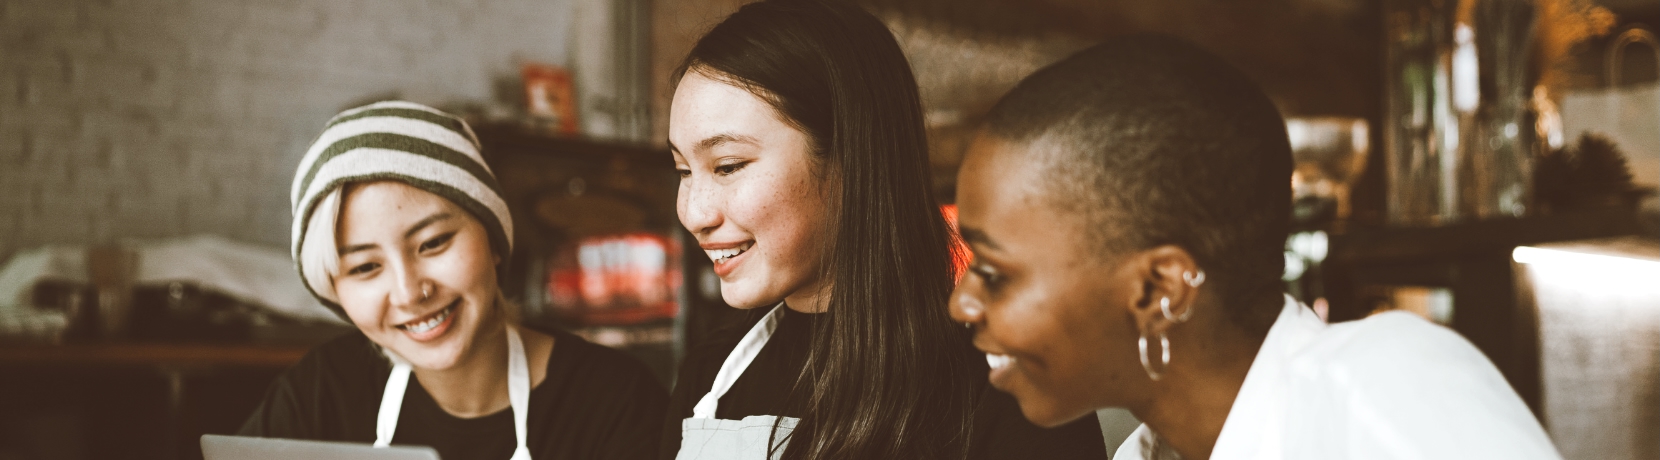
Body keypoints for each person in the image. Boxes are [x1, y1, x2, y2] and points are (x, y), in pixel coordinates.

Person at [947, 35, 1564, 460]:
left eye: (995, 272)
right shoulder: (1147, 450)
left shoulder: (1380, 383)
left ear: (1160, 290)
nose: (961, 304)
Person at [661, 1, 1108, 459]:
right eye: (682, 170)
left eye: (728, 165)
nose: (695, 213)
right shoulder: (709, 371)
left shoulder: (1009, 388)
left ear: (853, 156)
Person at [240, 101, 668, 459]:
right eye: (365, 268)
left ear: (494, 241)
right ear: (335, 293)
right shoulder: (323, 391)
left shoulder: (614, 401)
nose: (410, 292)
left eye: (434, 243)